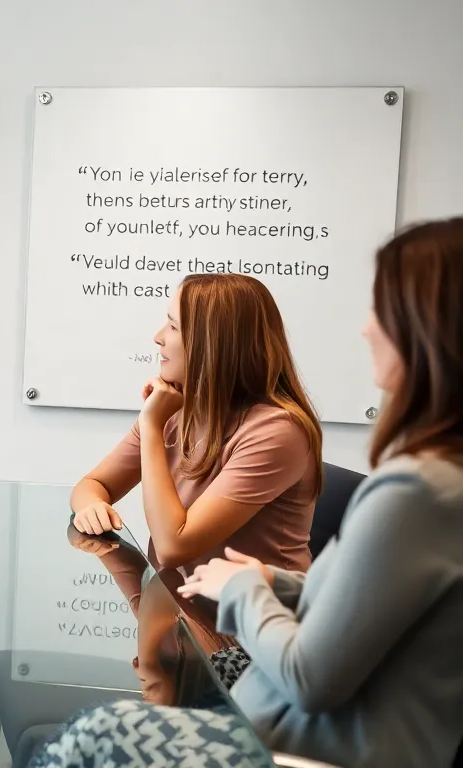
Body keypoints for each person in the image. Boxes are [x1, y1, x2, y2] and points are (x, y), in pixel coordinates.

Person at [38, 218, 463, 768]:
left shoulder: (401, 485)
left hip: (277, 705)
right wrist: (266, 580)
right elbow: (353, 607)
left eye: (381, 310)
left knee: (96, 731)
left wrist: (244, 588)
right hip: (249, 663)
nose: (365, 330)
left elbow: (175, 548)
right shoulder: (429, 483)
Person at [69, 274, 323, 574]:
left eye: (174, 327)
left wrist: (151, 425)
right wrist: (91, 506)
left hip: (252, 614)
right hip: (182, 603)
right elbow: (93, 484)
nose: (158, 337)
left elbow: (173, 548)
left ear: (215, 344)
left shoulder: (278, 432)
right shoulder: (177, 408)